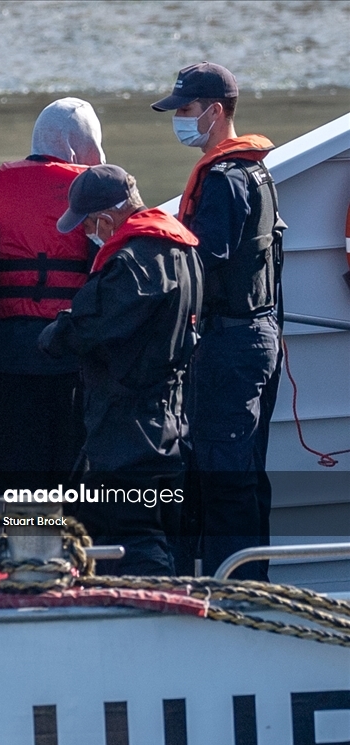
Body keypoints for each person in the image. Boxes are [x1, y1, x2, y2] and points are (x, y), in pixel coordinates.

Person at [152, 62, 284, 579]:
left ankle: (238, 589)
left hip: (230, 343)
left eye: (185, 110)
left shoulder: (227, 179)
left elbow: (204, 264)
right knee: (243, 470)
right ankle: (247, 581)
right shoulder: (256, 170)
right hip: (256, 335)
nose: (180, 120)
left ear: (214, 111)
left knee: (226, 473)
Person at [39, 165, 202, 576]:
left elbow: (85, 328)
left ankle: (157, 618)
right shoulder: (184, 251)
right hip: (170, 420)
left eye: (89, 224)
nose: (88, 233)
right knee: (108, 522)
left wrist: (51, 333)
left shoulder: (131, 263)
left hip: (128, 429)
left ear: (107, 219)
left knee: (136, 535)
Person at [0, 98, 104, 489]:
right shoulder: (94, 196)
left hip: (11, 356)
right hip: (73, 356)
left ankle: (24, 546)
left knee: (19, 469)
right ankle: (69, 546)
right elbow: (111, 277)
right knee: (72, 472)